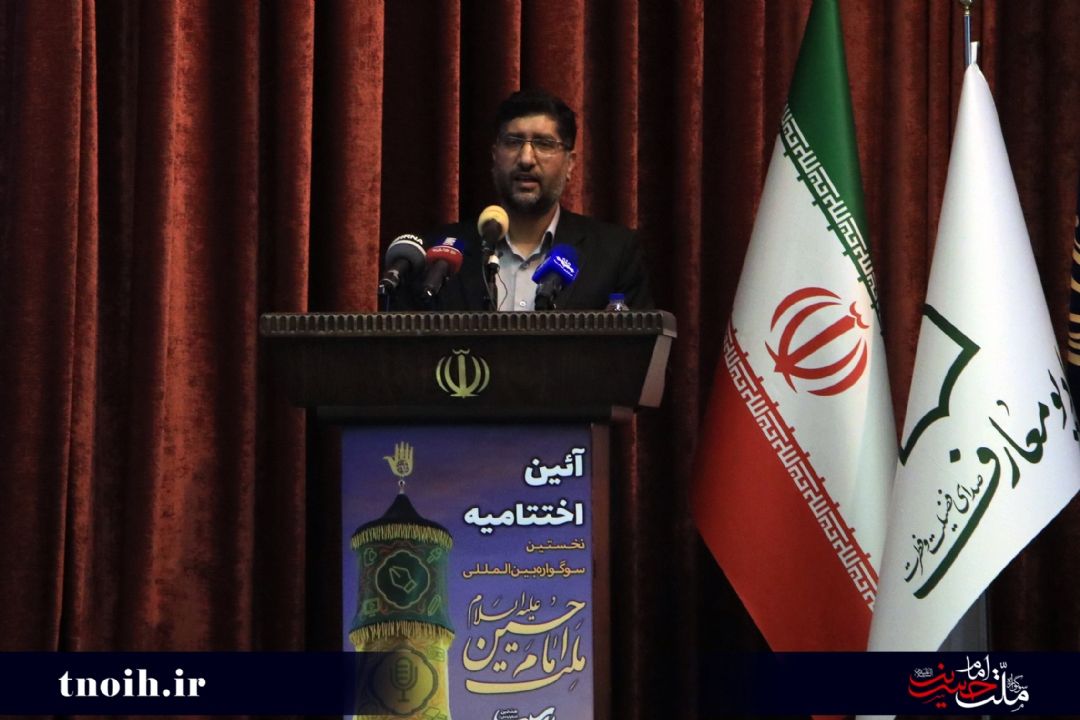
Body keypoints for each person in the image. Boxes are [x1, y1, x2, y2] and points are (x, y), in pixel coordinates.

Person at [413, 89, 653, 311]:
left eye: (544, 144)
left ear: (570, 164)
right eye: (513, 142)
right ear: (495, 156)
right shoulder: (437, 255)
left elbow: (638, 342)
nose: (526, 159)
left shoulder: (614, 254)